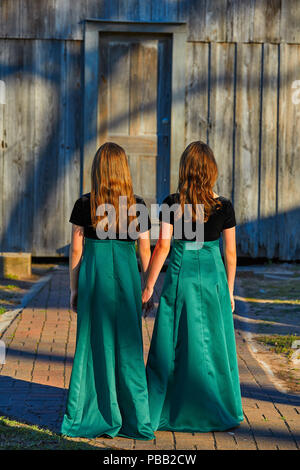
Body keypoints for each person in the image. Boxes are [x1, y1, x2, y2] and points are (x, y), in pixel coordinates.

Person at [142, 141, 244, 432]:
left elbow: (162, 245)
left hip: (181, 273)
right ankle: (216, 408)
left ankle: (165, 408)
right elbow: (231, 253)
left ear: (184, 169)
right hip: (213, 278)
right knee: (213, 343)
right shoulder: (223, 206)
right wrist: (230, 289)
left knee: (173, 343)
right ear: (211, 170)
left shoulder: (172, 203)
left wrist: (149, 286)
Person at [61, 142, 155, 440]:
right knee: (128, 345)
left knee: (92, 345)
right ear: (124, 170)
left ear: (96, 170)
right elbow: (144, 248)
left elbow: (77, 250)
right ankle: (134, 418)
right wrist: (148, 286)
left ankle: (93, 410)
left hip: (95, 279)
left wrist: (74, 289)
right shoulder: (137, 205)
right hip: (126, 280)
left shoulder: (84, 204)